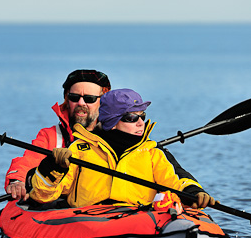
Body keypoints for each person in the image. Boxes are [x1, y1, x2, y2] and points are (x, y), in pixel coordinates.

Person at [28, 88, 216, 209]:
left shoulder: (152, 153)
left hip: (139, 219)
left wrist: (193, 193)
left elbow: (174, 182)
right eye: (131, 118)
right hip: (88, 220)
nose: (140, 123)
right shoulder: (80, 150)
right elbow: (42, 196)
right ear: (112, 122)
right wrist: (53, 167)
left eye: (142, 116)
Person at [5, 69, 111, 199]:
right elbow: (29, 160)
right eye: (74, 97)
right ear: (67, 99)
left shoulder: (115, 134)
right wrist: (17, 180)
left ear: (103, 102)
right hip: (56, 206)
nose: (81, 103)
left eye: (90, 99)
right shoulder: (51, 135)